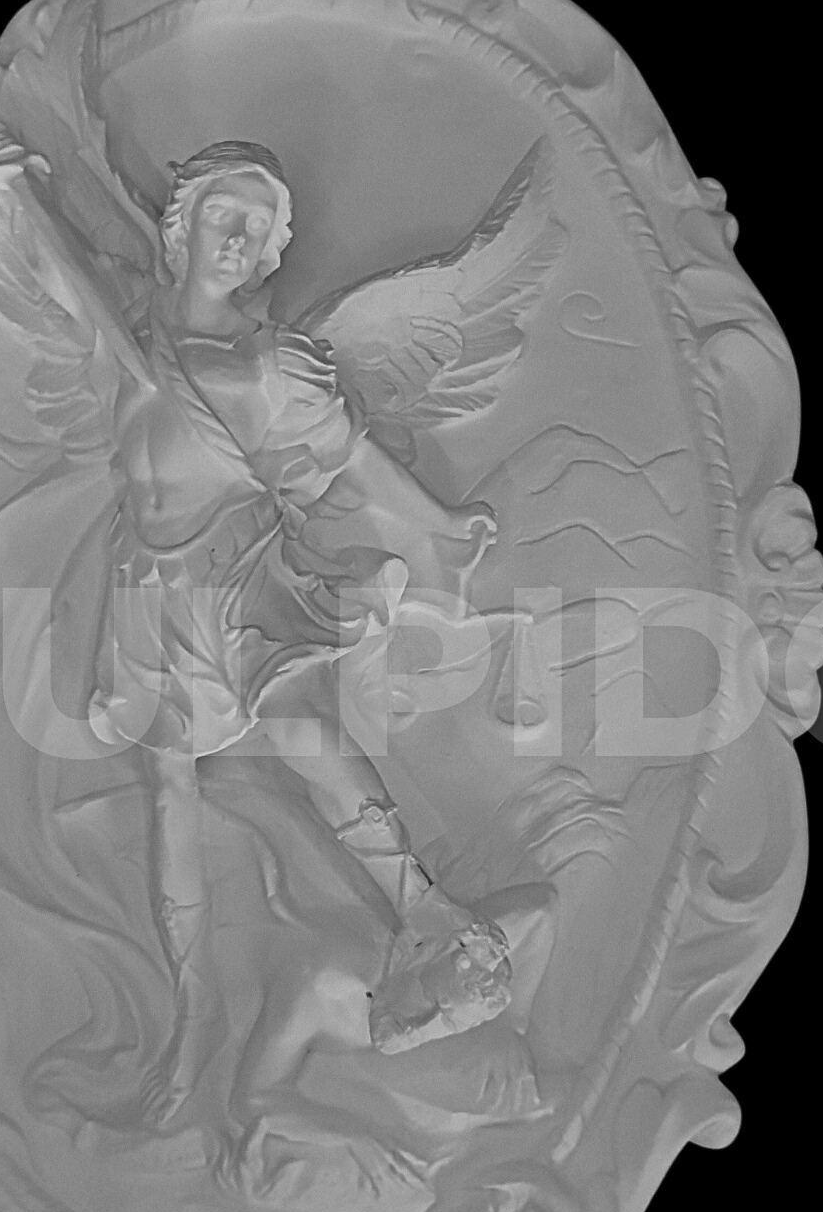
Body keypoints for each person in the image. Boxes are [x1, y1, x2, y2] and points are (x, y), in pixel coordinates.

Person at [85, 141, 512, 1120]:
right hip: (149, 591)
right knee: (168, 792)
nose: (238, 241)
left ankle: (429, 914)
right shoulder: (130, 327)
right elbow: (60, 261)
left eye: (258, 228)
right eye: (223, 217)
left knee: (299, 725)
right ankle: (190, 1012)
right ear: (181, 228)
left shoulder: (269, 364)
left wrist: (440, 527)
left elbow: (355, 460)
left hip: (239, 570)